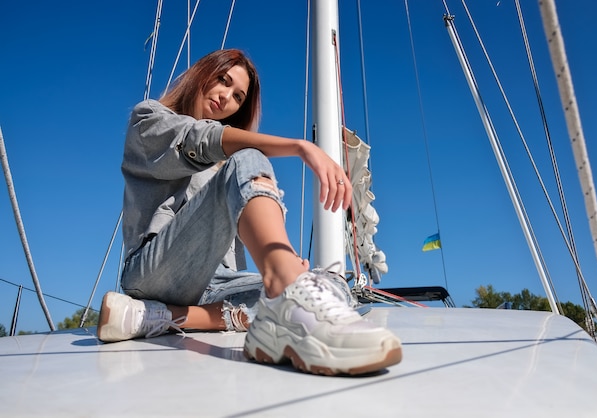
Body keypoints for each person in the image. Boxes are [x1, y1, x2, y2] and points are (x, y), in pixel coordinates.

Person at [96, 49, 402, 375]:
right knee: (248, 158)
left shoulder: (227, 167)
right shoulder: (149, 120)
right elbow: (199, 140)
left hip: (217, 286)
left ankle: (163, 316)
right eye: (222, 81)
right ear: (202, 74)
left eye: (238, 96)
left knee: (332, 283)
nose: (226, 97)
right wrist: (301, 146)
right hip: (155, 272)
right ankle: (285, 284)